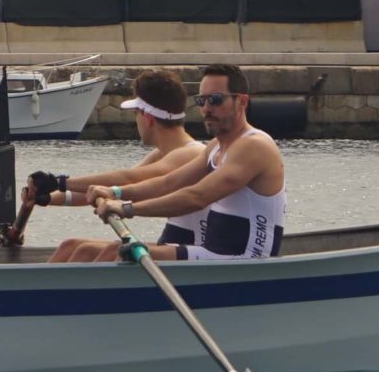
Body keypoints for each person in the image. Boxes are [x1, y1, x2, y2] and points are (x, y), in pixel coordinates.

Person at [75, 64, 286, 262]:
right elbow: (169, 183)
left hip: (244, 262)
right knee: (87, 250)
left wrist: (127, 209)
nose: (206, 108)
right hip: (212, 254)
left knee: (115, 253)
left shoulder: (254, 146)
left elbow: (196, 197)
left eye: (215, 99)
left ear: (241, 102)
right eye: (201, 100)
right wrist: (115, 193)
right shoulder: (215, 146)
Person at [24, 69, 204, 263]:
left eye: (135, 113)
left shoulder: (192, 153)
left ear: (147, 117)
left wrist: (59, 181)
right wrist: (45, 197)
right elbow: (105, 190)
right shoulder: (161, 153)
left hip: (193, 249)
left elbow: (129, 179)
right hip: (172, 241)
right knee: (71, 246)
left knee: (108, 251)